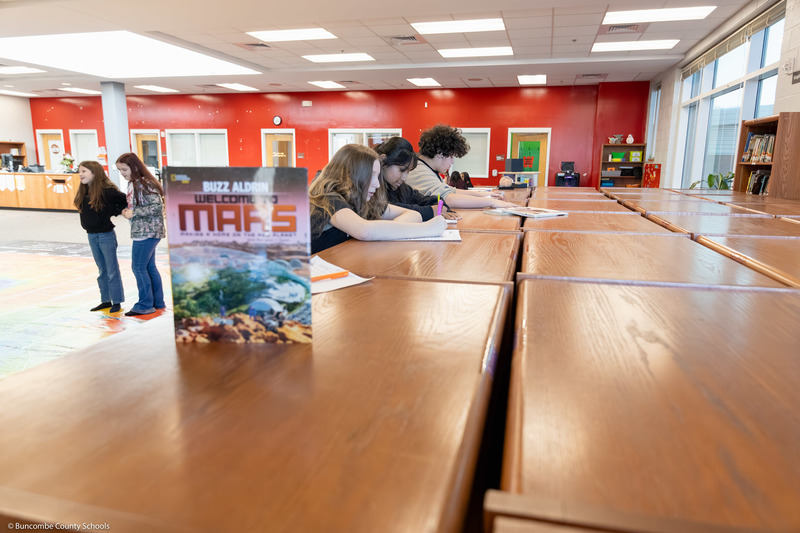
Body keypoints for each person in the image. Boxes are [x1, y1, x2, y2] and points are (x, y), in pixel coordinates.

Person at [309, 143, 446, 254]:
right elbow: (365, 231)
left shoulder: (361, 201)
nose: (377, 184)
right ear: (352, 175)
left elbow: (414, 214)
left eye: (378, 176)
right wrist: (428, 229)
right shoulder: (328, 199)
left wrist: (391, 230)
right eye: (371, 175)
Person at [405, 124, 513, 209]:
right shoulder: (418, 170)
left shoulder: (425, 167)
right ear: (440, 153)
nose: (452, 162)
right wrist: (491, 202)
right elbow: (449, 199)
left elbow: (450, 190)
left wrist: (484, 195)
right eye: (451, 157)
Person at [74, 161, 128, 314]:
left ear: (94, 173)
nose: (80, 174)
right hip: (91, 236)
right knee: (102, 270)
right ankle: (105, 300)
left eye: (84, 171)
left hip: (105, 235)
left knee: (111, 270)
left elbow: (124, 200)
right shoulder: (84, 191)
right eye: (80, 171)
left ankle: (116, 301)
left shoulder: (107, 190)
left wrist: (114, 211)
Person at [117, 152, 166, 317]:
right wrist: (129, 211)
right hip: (144, 230)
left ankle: (145, 304)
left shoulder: (144, 183)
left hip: (146, 232)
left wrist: (134, 213)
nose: (122, 173)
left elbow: (157, 207)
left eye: (124, 169)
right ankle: (157, 302)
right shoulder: (134, 183)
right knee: (148, 267)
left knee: (138, 267)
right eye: (120, 170)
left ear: (134, 167)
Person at [374, 136, 460, 222]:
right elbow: (387, 209)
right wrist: (429, 212)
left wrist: (440, 207)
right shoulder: (373, 189)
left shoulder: (402, 188)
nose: (404, 178)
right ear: (383, 161)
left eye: (407, 172)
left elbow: (423, 199)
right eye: (401, 170)